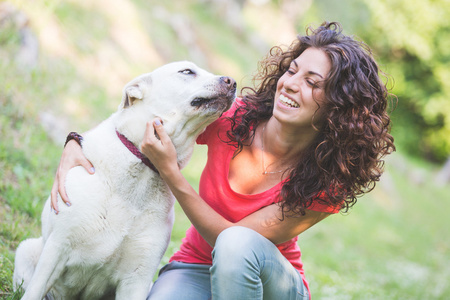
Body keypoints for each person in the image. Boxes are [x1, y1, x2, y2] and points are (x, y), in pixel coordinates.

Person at [51, 21, 395, 300]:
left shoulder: (327, 180)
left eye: (312, 82)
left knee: (237, 243)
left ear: (339, 106)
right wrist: (78, 141)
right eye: (291, 71)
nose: (290, 84)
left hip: (272, 288)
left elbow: (231, 243)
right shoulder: (234, 119)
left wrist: (172, 173)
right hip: (195, 267)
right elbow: (147, 112)